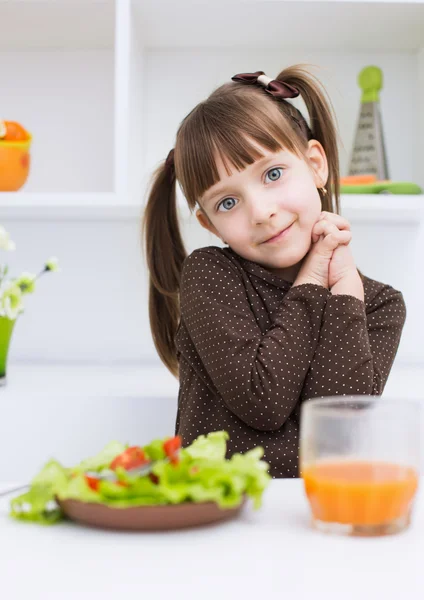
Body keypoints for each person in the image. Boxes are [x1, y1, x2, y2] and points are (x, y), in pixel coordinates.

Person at [142, 65, 407, 478]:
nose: (262, 212)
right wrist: (313, 280)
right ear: (210, 224)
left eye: (272, 174)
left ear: (315, 165)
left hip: (317, 512)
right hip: (220, 516)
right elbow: (263, 402)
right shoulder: (210, 274)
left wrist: (344, 292)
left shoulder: (377, 305)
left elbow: (339, 433)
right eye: (227, 203)